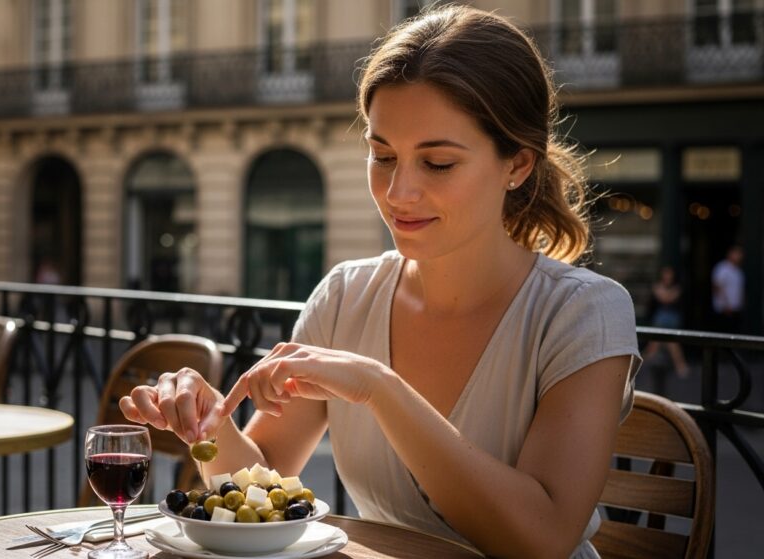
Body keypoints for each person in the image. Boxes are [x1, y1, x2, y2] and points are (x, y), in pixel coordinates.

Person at [119, 6, 641, 558]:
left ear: (517, 165)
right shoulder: (347, 295)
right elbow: (263, 476)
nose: (398, 193)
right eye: (382, 155)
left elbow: (541, 540)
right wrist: (209, 423)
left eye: (437, 163)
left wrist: (379, 388)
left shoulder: (585, 312)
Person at [643, 265, 689, 377]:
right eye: (665, 273)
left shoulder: (677, 287)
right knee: (662, 343)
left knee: (661, 342)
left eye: (669, 274)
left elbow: (667, 298)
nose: (667, 276)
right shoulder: (658, 286)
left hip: (672, 320)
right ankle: (681, 367)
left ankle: (638, 364)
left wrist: (666, 294)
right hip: (660, 320)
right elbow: (663, 298)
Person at [711, 244, 744, 334]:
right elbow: (717, 287)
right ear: (730, 253)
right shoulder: (722, 268)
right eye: (737, 253)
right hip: (723, 310)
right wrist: (724, 305)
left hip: (735, 310)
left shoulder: (739, 271)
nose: (739, 256)